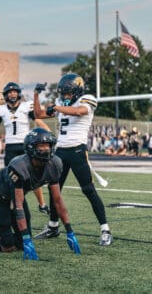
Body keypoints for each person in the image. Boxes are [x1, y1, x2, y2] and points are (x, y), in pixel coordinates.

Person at [0, 128, 81, 260]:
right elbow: (18, 206)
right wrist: (26, 238)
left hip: (18, 196)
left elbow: (58, 200)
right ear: (31, 148)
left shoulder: (55, 164)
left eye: (48, 145)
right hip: (1, 196)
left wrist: (70, 231)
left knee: (20, 244)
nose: (46, 149)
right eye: (41, 146)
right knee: (7, 247)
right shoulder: (19, 166)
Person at [33, 73, 113, 246]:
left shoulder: (86, 99)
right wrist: (36, 94)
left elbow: (79, 111)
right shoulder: (61, 103)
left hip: (77, 150)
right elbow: (38, 113)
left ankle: (105, 229)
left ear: (77, 90)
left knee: (88, 190)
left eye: (69, 93)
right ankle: (53, 226)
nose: (65, 96)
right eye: (63, 93)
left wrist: (56, 107)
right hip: (60, 151)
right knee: (54, 189)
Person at [0, 82, 49, 215]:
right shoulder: (1, 110)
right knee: (11, 178)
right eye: (10, 92)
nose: (12, 94)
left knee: (33, 176)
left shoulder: (26, 106)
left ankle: (42, 204)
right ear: (5, 95)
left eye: (15, 91)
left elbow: (38, 121)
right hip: (10, 147)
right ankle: (14, 203)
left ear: (19, 93)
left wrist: (48, 131)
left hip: (26, 146)